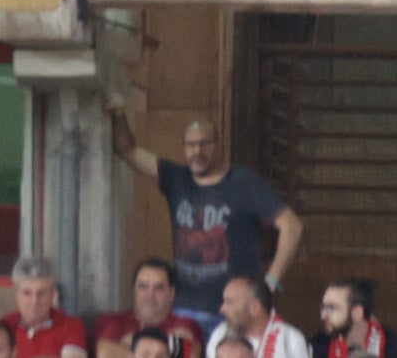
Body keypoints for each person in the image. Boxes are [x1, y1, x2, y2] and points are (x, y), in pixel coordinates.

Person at [112, 116, 303, 291]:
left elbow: (291, 226)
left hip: (235, 311)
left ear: (219, 145)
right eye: (191, 145)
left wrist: (271, 280)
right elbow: (128, 151)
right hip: (185, 308)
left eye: (205, 143)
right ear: (183, 148)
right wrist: (117, 108)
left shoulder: (243, 182)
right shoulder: (176, 178)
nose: (197, 151)